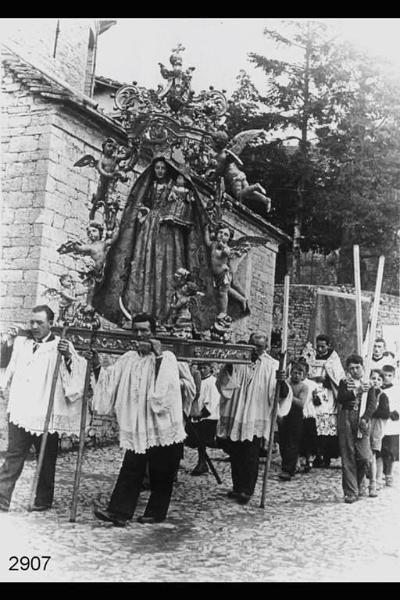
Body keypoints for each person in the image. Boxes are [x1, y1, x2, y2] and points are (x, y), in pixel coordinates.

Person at [91, 313, 186, 526]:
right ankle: (119, 512)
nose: (141, 335)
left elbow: (167, 389)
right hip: (138, 425)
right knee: (131, 467)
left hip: (162, 425)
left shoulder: (167, 357)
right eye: (137, 331)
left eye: (145, 330)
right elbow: (110, 380)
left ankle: (156, 512)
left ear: (154, 332)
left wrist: (159, 354)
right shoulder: (128, 359)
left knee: (162, 471)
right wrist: (97, 366)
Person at [0, 305, 86, 512]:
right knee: (14, 454)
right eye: (32, 322)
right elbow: (5, 362)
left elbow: (75, 378)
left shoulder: (61, 345)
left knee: (46, 459)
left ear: (51, 323)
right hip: (21, 408)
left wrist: (66, 356)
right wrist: (7, 342)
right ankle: (2, 497)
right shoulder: (22, 342)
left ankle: (43, 499)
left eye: (40, 322)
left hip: (47, 411)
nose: (35, 326)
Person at [216, 332, 292, 504]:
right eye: (253, 345)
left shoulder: (272, 365)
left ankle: (247, 490)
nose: (256, 349)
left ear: (265, 347)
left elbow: (280, 394)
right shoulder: (238, 360)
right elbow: (225, 383)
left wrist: (282, 382)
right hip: (237, 412)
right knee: (235, 453)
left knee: (251, 455)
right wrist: (228, 366)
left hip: (256, 414)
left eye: (260, 346)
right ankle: (237, 487)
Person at [336, 354, 377, 504]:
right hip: (347, 417)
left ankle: (359, 483)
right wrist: (355, 392)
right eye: (351, 368)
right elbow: (341, 398)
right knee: (348, 455)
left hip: (362, 421)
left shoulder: (368, 384)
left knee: (364, 456)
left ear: (363, 367)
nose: (354, 371)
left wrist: (366, 418)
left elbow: (372, 403)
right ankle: (351, 491)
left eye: (357, 367)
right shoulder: (345, 382)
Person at [307, 334, 345, 468]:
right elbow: (306, 370)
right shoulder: (311, 356)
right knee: (314, 424)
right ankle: (315, 454)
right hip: (314, 392)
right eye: (318, 346)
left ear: (329, 346)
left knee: (327, 425)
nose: (320, 349)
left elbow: (339, 378)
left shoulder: (333, 359)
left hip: (328, 395)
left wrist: (326, 380)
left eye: (323, 346)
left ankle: (327, 456)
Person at [204, 223, 249, 321]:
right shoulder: (214, 244)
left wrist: (223, 246)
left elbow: (226, 253)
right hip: (215, 275)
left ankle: (223, 312)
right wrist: (206, 230)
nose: (222, 235)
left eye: (225, 234)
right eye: (220, 233)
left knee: (222, 292)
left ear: (229, 238)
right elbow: (207, 242)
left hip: (224, 275)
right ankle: (242, 299)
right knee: (226, 290)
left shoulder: (226, 248)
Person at [185, 362, 220, 476]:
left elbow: (213, 401)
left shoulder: (212, 382)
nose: (202, 370)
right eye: (200, 368)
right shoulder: (196, 381)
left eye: (205, 368)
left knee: (203, 441)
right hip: (196, 415)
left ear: (210, 369)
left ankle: (202, 463)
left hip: (208, 417)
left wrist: (202, 413)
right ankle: (202, 462)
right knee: (196, 440)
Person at [278, 362, 309, 481]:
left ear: (304, 376)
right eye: (295, 372)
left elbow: (301, 403)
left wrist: (289, 395)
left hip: (295, 416)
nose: (296, 375)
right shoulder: (286, 383)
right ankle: (285, 465)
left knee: (293, 442)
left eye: (300, 373)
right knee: (283, 441)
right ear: (290, 373)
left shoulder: (303, 387)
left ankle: (288, 469)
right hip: (284, 414)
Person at [368, 369, 390, 497]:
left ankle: (373, 484)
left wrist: (371, 410)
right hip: (367, 426)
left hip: (376, 427)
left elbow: (385, 413)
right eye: (373, 378)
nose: (375, 381)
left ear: (382, 382)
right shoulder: (366, 393)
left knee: (372, 455)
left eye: (378, 379)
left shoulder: (382, 396)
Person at [380, 364, 399, 487]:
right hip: (382, 423)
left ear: (393, 376)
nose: (387, 378)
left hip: (393, 424)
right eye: (384, 375)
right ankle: (381, 474)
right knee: (382, 450)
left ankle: (389, 474)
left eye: (389, 376)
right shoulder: (379, 390)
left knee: (391, 451)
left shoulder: (396, 390)